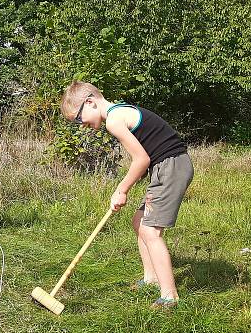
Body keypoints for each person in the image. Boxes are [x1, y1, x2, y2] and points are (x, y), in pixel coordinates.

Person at [61, 81, 194, 309]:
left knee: (151, 231)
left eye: (78, 119)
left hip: (171, 167)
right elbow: (148, 154)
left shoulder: (114, 120)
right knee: (139, 221)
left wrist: (121, 190)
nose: (80, 125)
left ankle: (169, 296)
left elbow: (141, 159)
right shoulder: (120, 111)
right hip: (167, 166)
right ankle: (151, 278)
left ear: (90, 102)